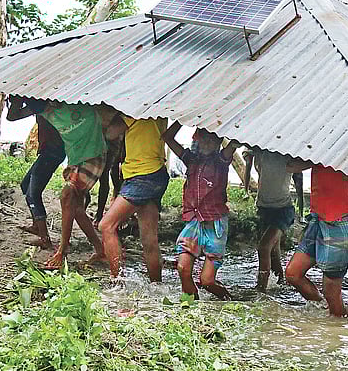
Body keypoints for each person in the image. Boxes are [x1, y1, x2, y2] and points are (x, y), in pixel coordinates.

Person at [163, 123, 239, 300]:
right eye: (203, 137)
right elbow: (167, 137)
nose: (207, 142)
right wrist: (183, 118)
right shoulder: (190, 159)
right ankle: (191, 306)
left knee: (207, 281)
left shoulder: (221, 161)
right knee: (183, 268)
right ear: (197, 138)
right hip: (194, 221)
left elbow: (235, 143)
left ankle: (229, 301)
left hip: (215, 224)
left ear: (218, 141)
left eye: (212, 139)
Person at [98, 115, 170, 282]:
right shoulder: (158, 110)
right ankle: (156, 285)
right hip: (156, 172)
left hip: (141, 175)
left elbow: (110, 133)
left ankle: (117, 283)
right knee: (149, 239)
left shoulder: (134, 112)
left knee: (106, 226)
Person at [38, 102, 108, 270]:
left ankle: (62, 251)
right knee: (76, 208)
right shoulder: (45, 112)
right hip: (76, 160)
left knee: (67, 195)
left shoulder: (79, 103)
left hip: (94, 154)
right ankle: (100, 250)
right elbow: (12, 115)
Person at [285, 162, 348, 317]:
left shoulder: (345, 157)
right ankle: (323, 308)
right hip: (318, 221)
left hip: (338, 225)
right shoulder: (318, 154)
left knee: (331, 290)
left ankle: (338, 325)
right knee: (293, 274)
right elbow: (290, 166)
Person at [6, 96, 65, 250]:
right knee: (26, 185)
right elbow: (11, 117)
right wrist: (16, 101)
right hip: (49, 151)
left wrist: (18, 99)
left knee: (33, 194)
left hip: (53, 152)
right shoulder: (40, 105)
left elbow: (13, 116)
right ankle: (36, 226)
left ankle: (45, 239)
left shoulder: (46, 104)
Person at [249, 148, 295, 292]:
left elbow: (308, 162)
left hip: (282, 209)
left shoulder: (287, 155)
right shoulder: (261, 151)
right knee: (273, 250)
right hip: (264, 208)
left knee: (264, 247)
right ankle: (281, 284)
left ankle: (261, 290)